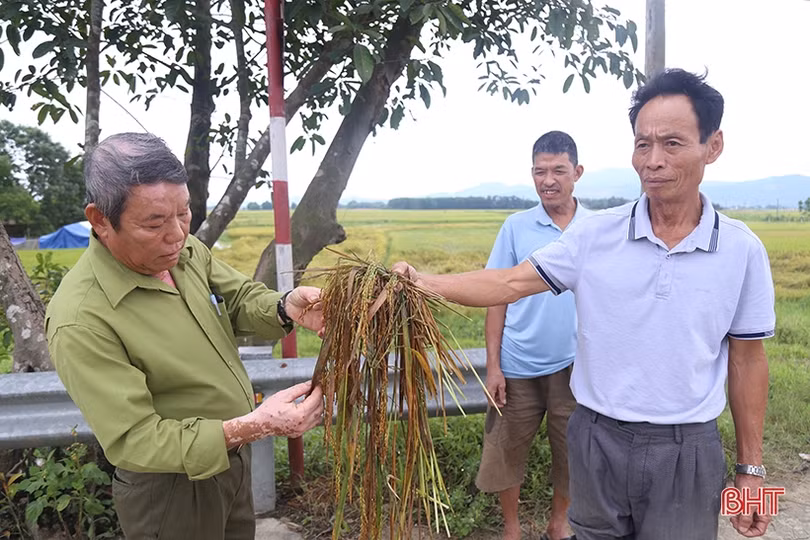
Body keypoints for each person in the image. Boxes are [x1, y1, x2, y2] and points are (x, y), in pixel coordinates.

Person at [394, 69, 775, 539]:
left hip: (688, 446)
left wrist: (752, 474)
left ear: (712, 146)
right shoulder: (594, 235)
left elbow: (748, 361)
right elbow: (509, 283)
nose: (653, 161)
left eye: (672, 143)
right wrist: (421, 282)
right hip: (596, 437)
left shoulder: (742, 249)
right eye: (642, 144)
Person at [45, 133, 324, 540]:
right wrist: (250, 427)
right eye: (154, 222)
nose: (176, 233)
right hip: (171, 492)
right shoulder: (81, 318)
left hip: (232, 464)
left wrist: (285, 307)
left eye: (184, 212)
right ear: (100, 220)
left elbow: (240, 298)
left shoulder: (183, 253)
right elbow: (136, 439)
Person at [477, 131, 588, 540]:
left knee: (572, 452)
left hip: (575, 366)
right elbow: (495, 297)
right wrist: (494, 367)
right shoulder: (516, 227)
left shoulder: (595, 228)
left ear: (577, 172)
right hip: (517, 364)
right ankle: (512, 529)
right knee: (506, 450)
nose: (548, 180)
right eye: (540, 172)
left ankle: (559, 525)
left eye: (558, 170)